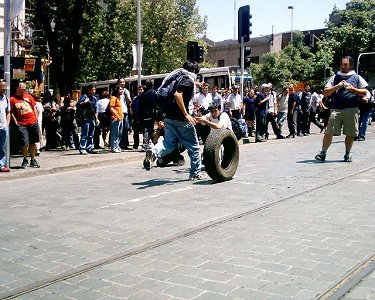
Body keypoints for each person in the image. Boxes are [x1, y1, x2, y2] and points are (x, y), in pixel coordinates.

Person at [143, 60, 206, 181]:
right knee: (194, 147)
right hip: (181, 119)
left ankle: (154, 152)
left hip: (168, 117)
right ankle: (195, 173)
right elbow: (178, 94)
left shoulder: (177, 76)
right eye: (197, 73)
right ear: (193, 71)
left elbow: (182, 86)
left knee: (169, 143)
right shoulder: (188, 80)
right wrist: (186, 114)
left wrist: (197, 84)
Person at [315, 56, 368, 162]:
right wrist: (337, 86)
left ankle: (347, 154)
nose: (343, 66)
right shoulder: (335, 77)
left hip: (352, 109)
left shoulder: (356, 77)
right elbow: (325, 92)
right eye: (342, 64)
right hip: (336, 109)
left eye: (345, 64)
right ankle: (323, 153)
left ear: (351, 65)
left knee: (350, 133)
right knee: (329, 132)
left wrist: (353, 89)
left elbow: (365, 92)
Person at [10, 80, 40, 168]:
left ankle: (33, 159)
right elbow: (11, 112)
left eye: (24, 89)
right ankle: (25, 159)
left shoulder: (29, 97)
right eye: (21, 89)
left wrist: (36, 119)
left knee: (33, 142)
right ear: (17, 89)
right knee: (24, 142)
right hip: (22, 124)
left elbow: (34, 108)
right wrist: (15, 122)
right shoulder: (12, 99)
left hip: (32, 122)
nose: (23, 90)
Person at [77, 84, 98, 155]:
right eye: (92, 90)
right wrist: (84, 102)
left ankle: (89, 148)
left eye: (94, 90)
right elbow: (78, 105)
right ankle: (82, 148)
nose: (94, 91)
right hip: (85, 117)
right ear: (89, 90)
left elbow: (95, 109)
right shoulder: (84, 97)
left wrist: (96, 118)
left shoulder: (94, 98)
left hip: (92, 118)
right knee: (84, 134)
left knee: (91, 134)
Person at [117, 78, 132, 151]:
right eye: (121, 82)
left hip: (125, 111)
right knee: (120, 129)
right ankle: (119, 145)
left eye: (123, 82)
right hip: (118, 112)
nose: (122, 83)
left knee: (126, 128)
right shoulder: (116, 91)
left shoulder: (126, 91)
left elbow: (129, 101)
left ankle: (125, 144)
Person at [109, 85, 124, 153]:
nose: (121, 91)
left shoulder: (119, 98)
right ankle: (113, 147)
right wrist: (117, 115)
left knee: (119, 134)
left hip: (120, 118)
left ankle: (117, 146)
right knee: (114, 134)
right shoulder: (114, 98)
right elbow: (111, 108)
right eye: (120, 89)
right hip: (115, 118)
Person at [0, 80, 10, 172]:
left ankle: (1, 165)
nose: (4, 90)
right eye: (3, 88)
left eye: (5, 88)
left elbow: (8, 112)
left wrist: (7, 124)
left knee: (2, 147)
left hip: (3, 127)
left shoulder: (6, 99)